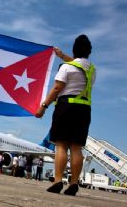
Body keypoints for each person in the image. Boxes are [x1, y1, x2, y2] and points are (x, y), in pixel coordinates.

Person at [36, 34, 96, 196]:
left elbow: (56, 89)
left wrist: (43, 106)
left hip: (66, 107)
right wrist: (62, 56)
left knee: (61, 145)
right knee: (76, 147)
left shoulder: (66, 68)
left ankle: (57, 181)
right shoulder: (91, 70)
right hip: (84, 110)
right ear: (88, 52)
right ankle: (74, 183)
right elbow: (77, 64)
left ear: (74, 50)